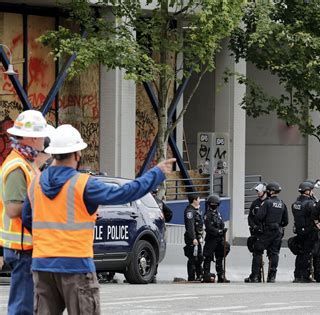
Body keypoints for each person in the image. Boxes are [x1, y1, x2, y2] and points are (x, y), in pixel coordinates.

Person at [21, 124, 175, 314]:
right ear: (77, 154)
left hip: (42, 266)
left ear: (53, 153)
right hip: (75, 266)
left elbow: (27, 220)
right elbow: (125, 193)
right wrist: (156, 173)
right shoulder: (84, 185)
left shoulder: (35, 183)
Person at [0, 110, 52, 315]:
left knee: (26, 305)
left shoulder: (26, 162)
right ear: (32, 138)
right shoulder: (17, 166)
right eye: (42, 136)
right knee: (22, 307)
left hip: (25, 245)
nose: (44, 140)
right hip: (22, 248)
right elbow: (14, 209)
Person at [254, 182, 288, 283]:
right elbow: (286, 221)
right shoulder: (282, 203)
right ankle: (272, 276)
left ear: (270, 191)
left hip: (267, 231)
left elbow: (258, 217)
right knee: (274, 253)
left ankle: (256, 276)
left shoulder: (267, 203)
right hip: (278, 231)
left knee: (258, 251)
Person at [291, 181, 318, 282]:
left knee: (300, 253)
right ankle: (305, 276)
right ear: (307, 191)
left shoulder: (295, 203)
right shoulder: (310, 204)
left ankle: (297, 275)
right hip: (309, 231)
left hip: (299, 231)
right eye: (312, 190)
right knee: (307, 253)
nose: (313, 192)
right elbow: (318, 215)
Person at [203, 194, 230, 283]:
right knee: (208, 257)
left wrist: (223, 231)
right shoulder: (208, 214)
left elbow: (221, 224)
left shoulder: (218, 214)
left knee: (220, 257)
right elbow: (209, 227)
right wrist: (218, 231)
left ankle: (221, 275)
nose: (215, 206)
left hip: (219, 239)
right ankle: (206, 275)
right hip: (211, 239)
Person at [245, 183, 266, 282]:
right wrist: (254, 226)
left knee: (271, 253)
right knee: (256, 253)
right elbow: (250, 217)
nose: (257, 193)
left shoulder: (268, 203)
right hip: (256, 232)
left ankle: (269, 275)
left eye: (259, 191)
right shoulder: (255, 203)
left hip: (266, 232)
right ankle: (255, 275)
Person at [184, 193, 204, 282]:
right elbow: (190, 226)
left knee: (199, 257)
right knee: (192, 258)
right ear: (195, 200)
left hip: (197, 238)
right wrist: (193, 238)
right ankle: (191, 277)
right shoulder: (190, 212)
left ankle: (199, 275)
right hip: (192, 239)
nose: (200, 200)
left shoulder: (196, 210)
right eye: (199, 199)